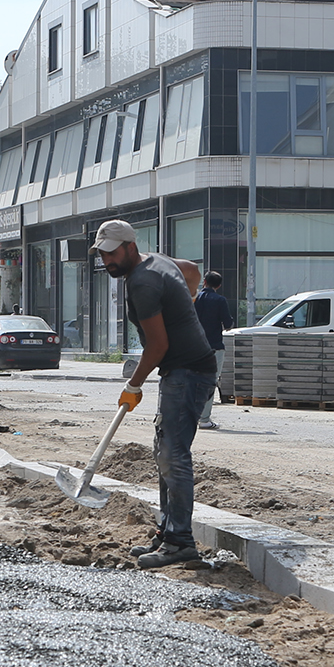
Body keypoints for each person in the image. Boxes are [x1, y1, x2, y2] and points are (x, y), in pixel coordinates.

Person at [94, 219, 210, 569]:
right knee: (164, 452)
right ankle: (167, 530)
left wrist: (134, 384)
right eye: (102, 255)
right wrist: (185, 303)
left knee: (173, 456)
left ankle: (180, 542)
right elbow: (191, 271)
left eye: (112, 253)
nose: (107, 261)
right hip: (187, 369)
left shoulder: (142, 282)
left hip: (188, 370)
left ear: (130, 246)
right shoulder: (156, 261)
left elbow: (158, 345)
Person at [192, 270, 232, 430]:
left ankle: (190, 416)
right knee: (209, 382)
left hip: (194, 347)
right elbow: (228, 324)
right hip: (214, 347)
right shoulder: (220, 300)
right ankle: (204, 419)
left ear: (204, 282)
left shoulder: (195, 299)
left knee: (192, 382)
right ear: (219, 285)